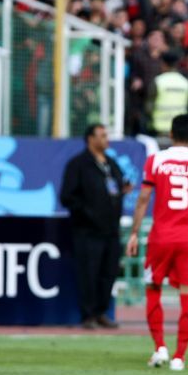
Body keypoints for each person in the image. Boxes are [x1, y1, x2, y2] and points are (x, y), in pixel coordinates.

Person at [126, 114, 188, 372]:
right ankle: (179, 356)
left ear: (170, 134)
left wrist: (134, 232)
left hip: (161, 236)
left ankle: (160, 348)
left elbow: (143, 198)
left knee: (153, 288)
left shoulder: (156, 160)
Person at [60, 124, 129, 330]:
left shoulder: (111, 163)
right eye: (102, 135)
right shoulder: (78, 164)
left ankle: (101, 312)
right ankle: (88, 314)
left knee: (108, 273)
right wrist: (87, 213)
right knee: (89, 273)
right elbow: (67, 196)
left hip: (111, 229)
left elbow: (116, 186)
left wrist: (123, 190)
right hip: (88, 230)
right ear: (91, 139)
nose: (107, 139)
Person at [147, 51, 188, 137]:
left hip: (159, 129)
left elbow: (149, 107)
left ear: (164, 64)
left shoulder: (158, 81)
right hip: (179, 129)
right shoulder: (185, 82)